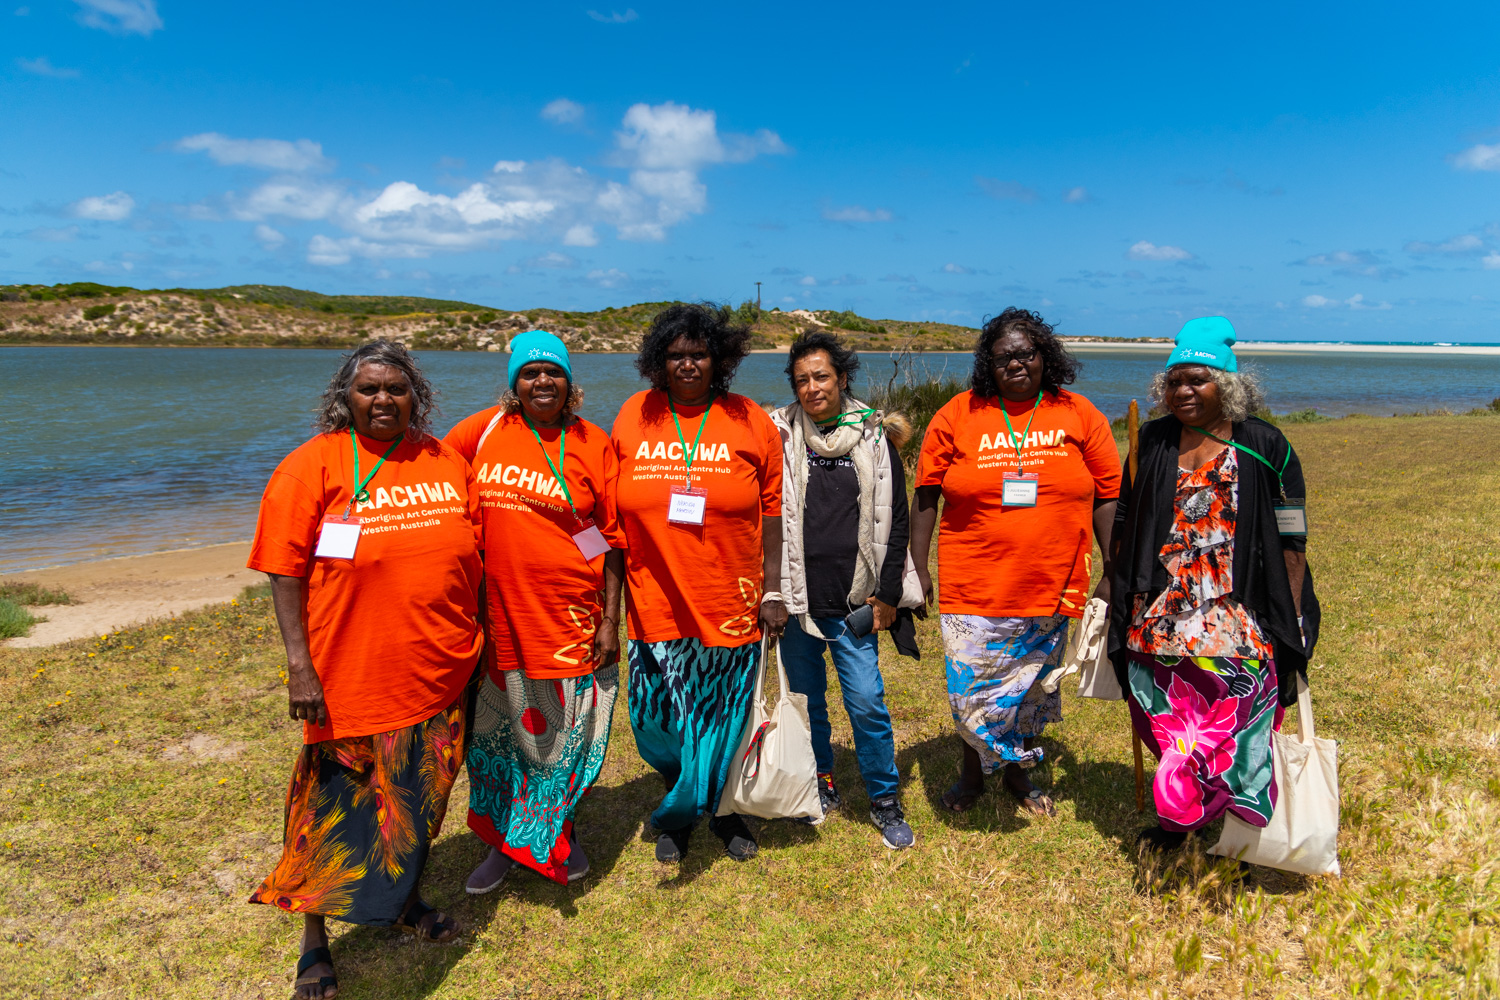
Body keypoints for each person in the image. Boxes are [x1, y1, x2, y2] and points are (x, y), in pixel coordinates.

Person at [247, 340, 483, 999]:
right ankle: (315, 943)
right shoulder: (312, 465)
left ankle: (403, 904)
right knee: (332, 809)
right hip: (353, 674)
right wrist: (300, 668)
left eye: (396, 389)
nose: (383, 400)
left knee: (419, 801)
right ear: (344, 398)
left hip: (441, 671)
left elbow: (475, 555)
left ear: (417, 395)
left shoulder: (444, 461)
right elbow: (284, 572)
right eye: (368, 389)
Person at [1108, 316, 1319, 851]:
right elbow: (1128, 520)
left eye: (1197, 379)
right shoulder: (1152, 440)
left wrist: (1290, 613)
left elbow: (1292, 537)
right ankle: (1178, 821)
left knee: (1240, 727)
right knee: (1168, 722)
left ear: (1226, 385)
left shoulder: (1264, 445)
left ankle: (1240, 834)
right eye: (1175, 380)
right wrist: (1115, 587)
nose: (1183, 391)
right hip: (1160, 613)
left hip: (1236, 611)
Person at [911, 308, 1121, 817]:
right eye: (1002, 357)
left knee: (1027, 685)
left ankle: (1018, 773)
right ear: (989, 364)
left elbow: (1109, 497)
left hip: (1052, 579)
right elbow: (925, 494)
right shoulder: (958, 414)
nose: (1016, 364)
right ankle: (971, 774)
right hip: (973, 580)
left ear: (1045, 355)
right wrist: (916, 568)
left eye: (1025, 353)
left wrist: (1114, 570)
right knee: (973, 688)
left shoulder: (1079, 413)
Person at [444, 330, 625, 892]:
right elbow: (427, 483)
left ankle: (553, 834)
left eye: (553, 372)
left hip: (571, 616)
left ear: (570, 382)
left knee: (566, 736)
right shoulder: (483, 432)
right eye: (529, 373)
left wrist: (610, 618)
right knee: (498, 738)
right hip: (495, 618)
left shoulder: (594, 442)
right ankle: (501, 844)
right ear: (513, 383)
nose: (541, 382)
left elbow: (612, 538)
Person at [610, 303, 786, 864]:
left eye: (699, 354)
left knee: (721, 714)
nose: (688, 364)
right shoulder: (634, 414)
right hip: (652, 597)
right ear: (658, 361)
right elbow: (611, 508)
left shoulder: (748, 417)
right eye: (676, 355)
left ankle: (714, 810)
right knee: (656, 717)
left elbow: (775, 512)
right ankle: (680, 787)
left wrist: (774, 591)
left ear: (720, 359)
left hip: (728, 598)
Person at [770, 330, 922, 850]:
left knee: (866, 702)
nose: (813, 387)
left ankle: (884, 798)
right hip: (797, 600)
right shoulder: (779, 435)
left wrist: (885, 594)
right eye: (802, 379)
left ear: (841, 378)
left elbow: (895, 520)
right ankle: (821, 783)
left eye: (822, 376)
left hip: (854, 601)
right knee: (808, 702)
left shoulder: (875, 435)